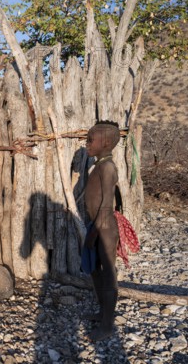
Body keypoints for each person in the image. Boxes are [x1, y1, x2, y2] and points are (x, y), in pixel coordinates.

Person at [83, 120, 120, 341]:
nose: (86, 144)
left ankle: (107, 326)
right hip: (98, 226)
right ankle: (102, 312)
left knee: (109, 276)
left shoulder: (107, 167)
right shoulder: (100, 165)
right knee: (96, 271)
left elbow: (107, 205)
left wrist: (93, 233)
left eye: (90, 140)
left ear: (105, 142)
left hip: (104, 229)